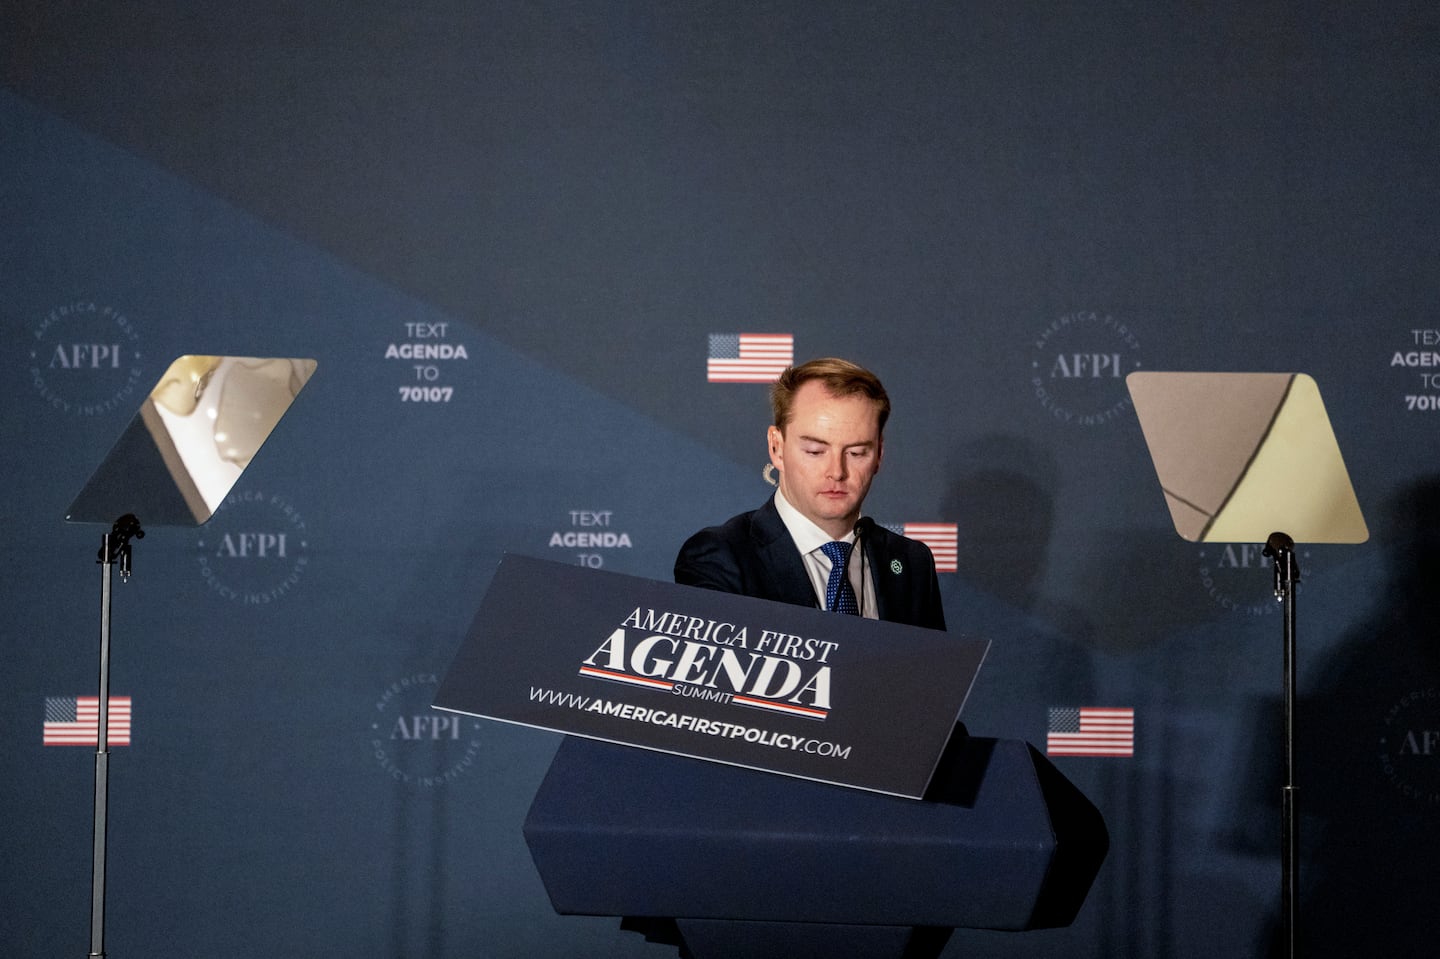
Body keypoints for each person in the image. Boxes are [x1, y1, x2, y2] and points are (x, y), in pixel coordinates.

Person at [675, 357, 946, 630]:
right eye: (815, 451)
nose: (837, 471)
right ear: (776, 448)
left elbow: (933, 671)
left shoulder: (911, 562)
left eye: (856, 453)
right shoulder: (723, 556)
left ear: (879, 455)